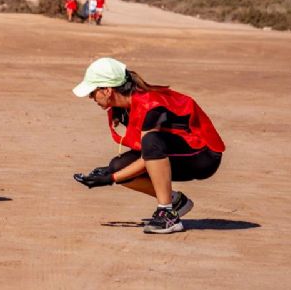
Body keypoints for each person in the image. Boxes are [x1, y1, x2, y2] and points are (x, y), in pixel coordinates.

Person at [72, 58, 225, 234]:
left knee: (149, 143)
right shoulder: (124, 106)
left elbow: (150, 152)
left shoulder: (151, 107)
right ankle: (175, 201)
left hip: (203, 157)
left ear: (107, 90)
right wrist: (111, 172)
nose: (91, 98)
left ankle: (168, 215)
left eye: (92, 93)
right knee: (117, 165)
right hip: (176, 151)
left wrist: (111, 179)